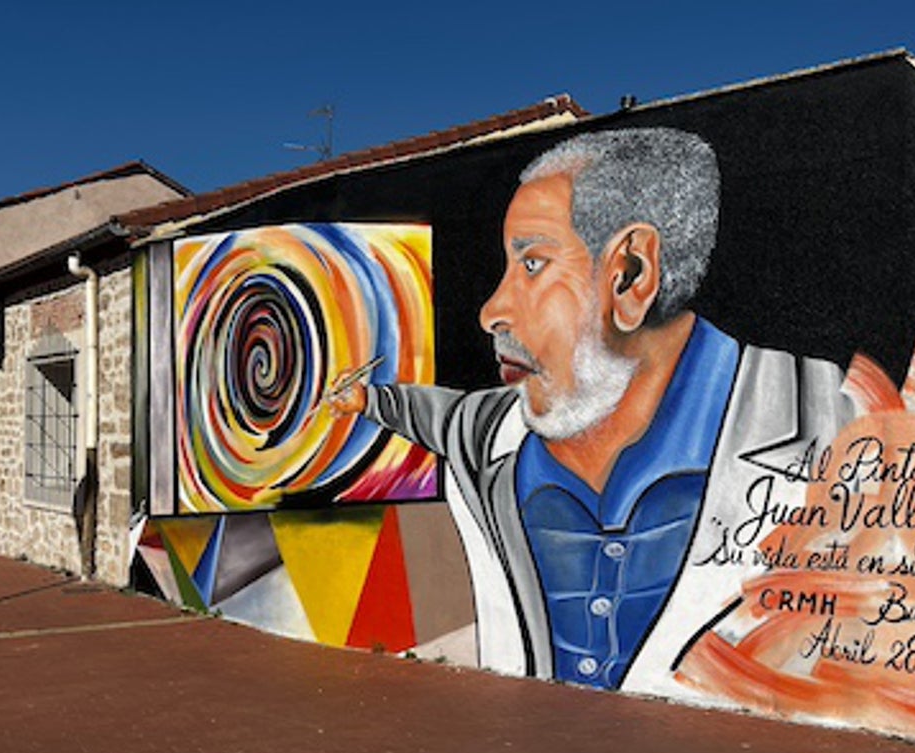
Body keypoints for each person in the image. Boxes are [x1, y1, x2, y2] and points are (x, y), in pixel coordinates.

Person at [329, 128, 851, 695]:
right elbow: (434, 413)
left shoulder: (846, 434)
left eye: (531, 264)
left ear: (630, 275)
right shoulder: (492, 434)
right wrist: (367, 399)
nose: (491, 311)